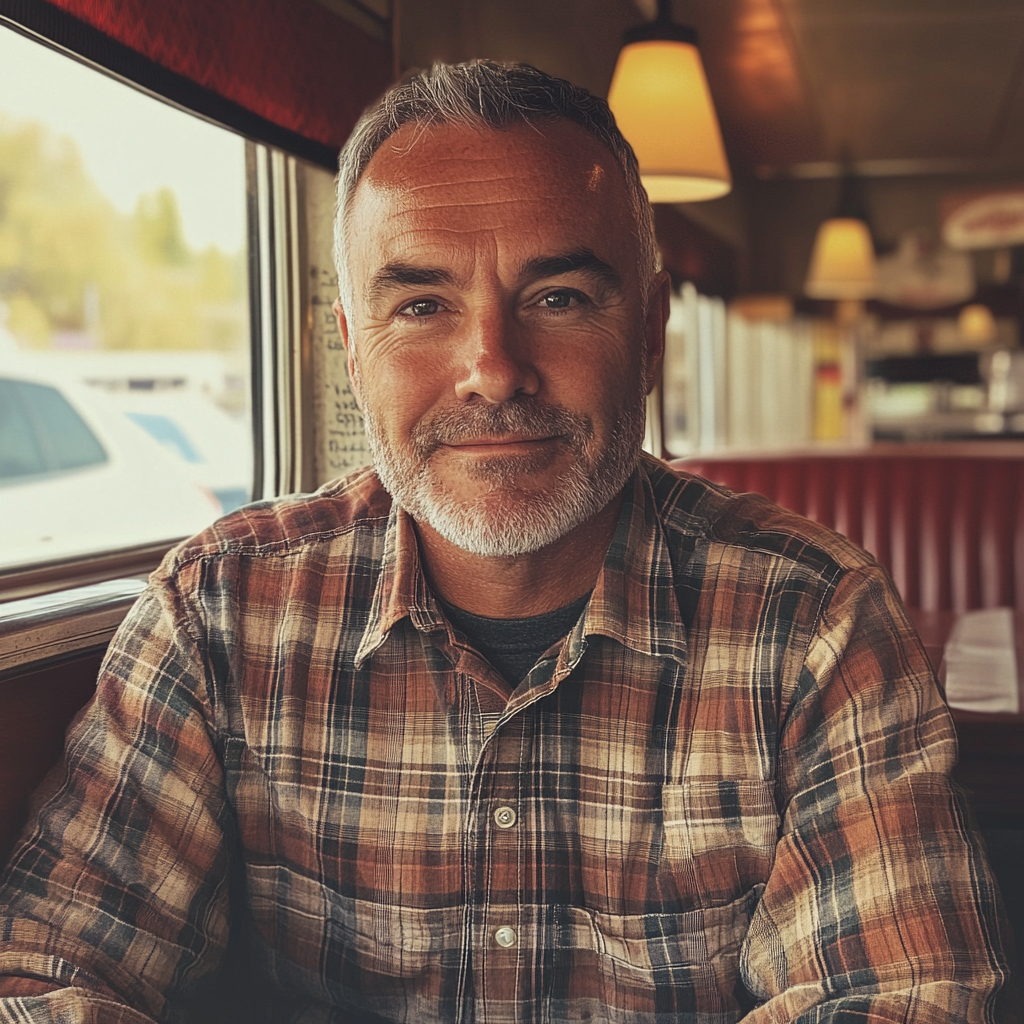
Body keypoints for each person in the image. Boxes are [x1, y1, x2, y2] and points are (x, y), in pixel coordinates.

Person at [0, 60, 1010, 1024]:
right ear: (352, 348)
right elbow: (51, 971)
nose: (491, 368)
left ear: (650, 333)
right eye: (422, 304)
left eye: (557, 298)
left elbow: (900, 992)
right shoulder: (218, 610)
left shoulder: (813, 620)